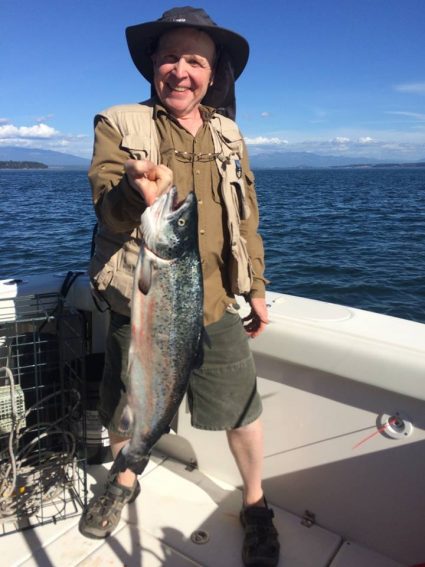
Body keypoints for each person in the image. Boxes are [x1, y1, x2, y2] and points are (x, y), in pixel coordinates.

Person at [79, 6, 280, 566]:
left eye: (195, 59)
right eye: (170, 56)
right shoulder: (120, 123)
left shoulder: (229, 133)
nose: (181, 70)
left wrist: (257, 287)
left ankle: (257, 504)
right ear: (152, 64)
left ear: (213, 73)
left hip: (215, 302)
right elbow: (108, 213)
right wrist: (132, 193)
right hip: (140, 300)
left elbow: (246, 219)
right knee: (126, 402)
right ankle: (125, 479)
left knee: (242, 409)